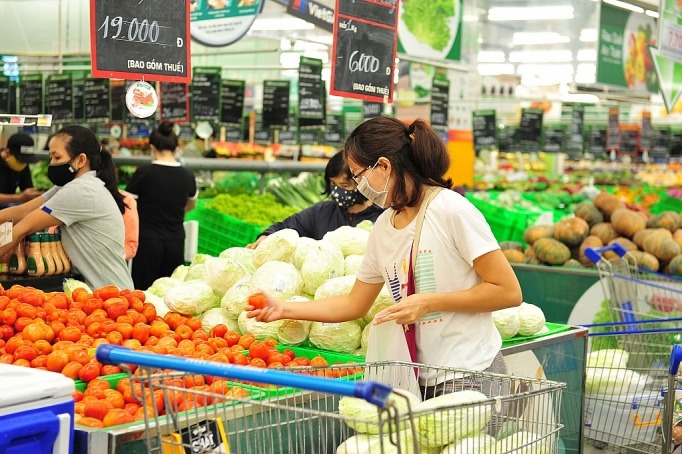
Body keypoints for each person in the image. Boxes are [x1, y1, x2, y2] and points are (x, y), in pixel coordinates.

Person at [249, 117, 522, 397]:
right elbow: (353, 304)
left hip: (469, 373)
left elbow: (508, 291)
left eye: (358, 175)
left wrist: (429, 302)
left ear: (383, 165)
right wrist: (283, 309)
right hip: (415, 378)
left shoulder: (451, 210)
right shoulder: (384, 226)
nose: (357, 186)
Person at [0, 125, 134, 290]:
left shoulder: (81, 190)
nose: (52, 163)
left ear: (80, 160)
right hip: (99, 293)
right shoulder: (71, 185)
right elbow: (23, 210)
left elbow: (22, 228)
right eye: (50, 157)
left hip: (110, 294)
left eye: (57, 157)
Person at [246, 151, 383, 249]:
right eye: (333, 184)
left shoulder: (382, 217)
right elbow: (284, 227)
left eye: (344, 185)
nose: (337, 190)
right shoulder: (322, 212)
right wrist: (266, 236)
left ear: (363, 184)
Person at [126, 120, 198, 290]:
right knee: (170, 295)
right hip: (175, 241)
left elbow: (128, 206)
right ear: (176, 147)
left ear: (152, 148)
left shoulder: (144, 173)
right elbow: (191, 205)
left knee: (143, 295)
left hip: (147, 243)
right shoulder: (187, 175)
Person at [0, 133, 43, 208]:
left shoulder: (23, 166)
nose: (23, 164)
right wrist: (19, 198)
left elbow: (27, 188)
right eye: (21, 160)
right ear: (7, 152)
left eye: (25, 161)